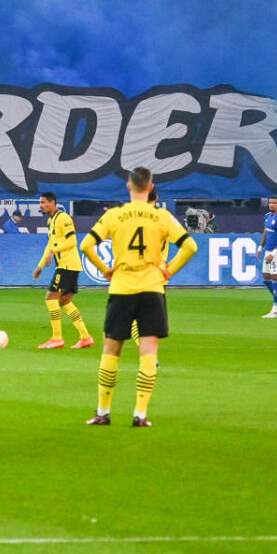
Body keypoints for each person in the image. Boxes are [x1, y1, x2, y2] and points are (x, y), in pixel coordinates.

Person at [77, 167, 197, 428]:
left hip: (121, 286)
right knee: (148, 352)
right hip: (152, 287)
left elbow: (86, 244)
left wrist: (105, 269)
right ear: (151, 186)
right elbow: (191, 246)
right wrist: (168, 270)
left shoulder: (116, 216)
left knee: (111, 350)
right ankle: (140, 415)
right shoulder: (161, 216)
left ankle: (103, 413)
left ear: (129, 187)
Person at [30, 193, 93, 350]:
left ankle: (57, 338)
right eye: (40, 202)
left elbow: (72, 241)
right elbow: (50, 245)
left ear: (52, 202)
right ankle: (85, 337)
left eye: (43, 202)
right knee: (64, 301)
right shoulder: (51, 220)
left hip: (67, 265)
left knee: (51, 298)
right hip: (67, 265)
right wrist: (40, 266)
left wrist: (54, 251)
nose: (41, 205)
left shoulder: (63, 218)